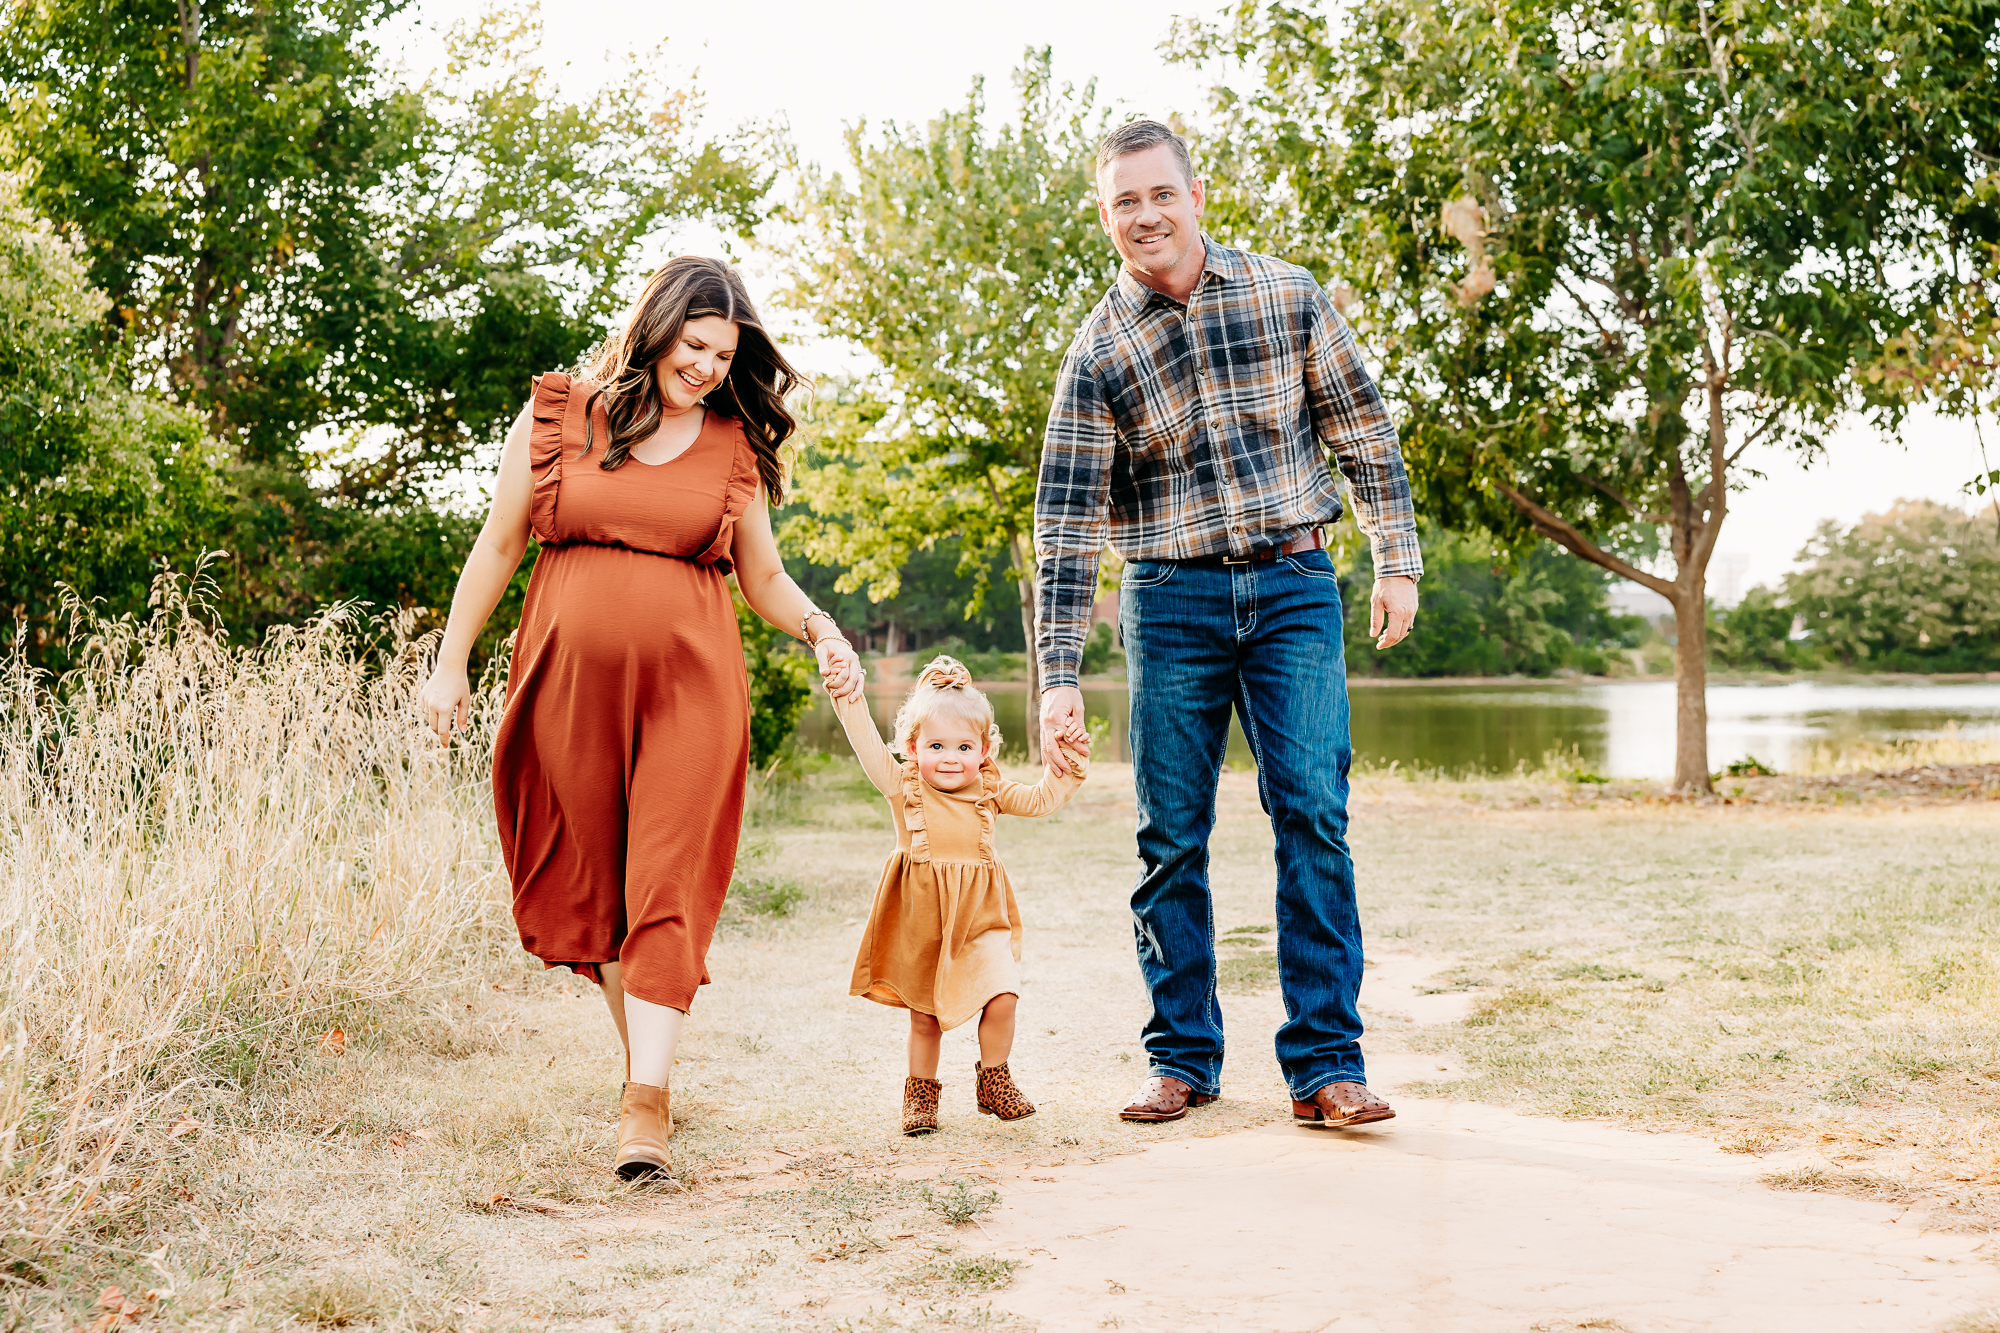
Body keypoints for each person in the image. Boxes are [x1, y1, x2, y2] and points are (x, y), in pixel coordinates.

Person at [417, 256, 863, 1179]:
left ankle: (645, 1105)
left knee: (665, 880)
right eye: (694, 344)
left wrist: (821, 628)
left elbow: (764, 576)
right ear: (655, 328)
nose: (704, 366)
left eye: (722, 352)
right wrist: (450, 659)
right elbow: (500, 541)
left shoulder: (733, 444)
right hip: (564, 686)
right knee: (599, 888)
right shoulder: (560, 417)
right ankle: (646, 1079)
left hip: (692, 687)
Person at [1034, 120, 1422, 1129]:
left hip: (1292, 584)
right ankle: (1180, 1058)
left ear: (1196, 195)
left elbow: (1364, 434)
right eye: (1123, 201)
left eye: (1159, 194)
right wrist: (1056, 673)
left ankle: (1326, 1067)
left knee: (1312, 818)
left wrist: (1395, 559)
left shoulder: (1284, 293)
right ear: (1105, 215)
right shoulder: (1096, 351)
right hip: (1167, 602)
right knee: (1169, 836)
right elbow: (1066, 526)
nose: (1144, 215)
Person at [828, 656, 1088, 1135]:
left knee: (1004, 993)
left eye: (964, 746)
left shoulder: (989, 789)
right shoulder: (903, 787)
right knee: (926, 1016)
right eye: (936, 746)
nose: (951, 757)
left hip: (980, 917)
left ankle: (993, 1079)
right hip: (924, 919)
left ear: (985, 749)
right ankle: (921, 1093)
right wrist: (849, 697)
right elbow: (866, 745)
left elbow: (1040, 800)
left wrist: (1068, 762)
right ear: (913, 747)